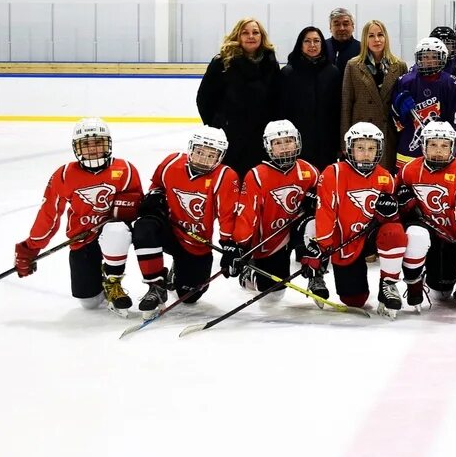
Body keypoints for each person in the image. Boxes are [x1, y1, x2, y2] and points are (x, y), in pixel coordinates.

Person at [13, 118, 144, 315]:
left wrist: (123, 213)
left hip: (113, 236)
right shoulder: (65, 174)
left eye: (98, 143)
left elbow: (135, 208)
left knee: (115, 230)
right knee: (89, 302)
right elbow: (49, 214)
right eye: (86, 144)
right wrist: (31, 247)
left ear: (108, 143)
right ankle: (97, 280)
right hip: (81, 238)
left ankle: (112, 281)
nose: (92, 149)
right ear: (76, 147)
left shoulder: (124, 170)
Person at [307, 122, 414, 317]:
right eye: (360, 148)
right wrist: (321, 248)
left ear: (379, 150)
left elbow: (393, 218)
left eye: (371, 148)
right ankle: (320, 276)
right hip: (346, 239)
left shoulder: (385, 177)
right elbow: (326, 212)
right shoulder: (334, 173)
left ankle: (388, 284)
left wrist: (391, 212)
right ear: (350, 149)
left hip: (371, 235)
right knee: (354, 299)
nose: (366, 153)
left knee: (394, 232)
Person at [131, 126, 241, 314]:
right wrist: (155, 195)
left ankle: (178, 270)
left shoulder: (225, 176)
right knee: (144, 227)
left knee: (189, 296)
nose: (203, 159)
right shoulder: (171, 163)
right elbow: (157, 185)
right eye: (200, 152)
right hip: (169, 230)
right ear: (191, 148)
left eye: (210, 155)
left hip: (196, 241)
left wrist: (229, 245)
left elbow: (227, 215)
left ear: (220, 156)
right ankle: (155, 286)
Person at [396, 121, 456, 308]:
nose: (438, 150)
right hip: (428, 228)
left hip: (453, 228)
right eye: (433, 144)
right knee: (439, 292)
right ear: (423, 145)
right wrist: (401, 199)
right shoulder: (409, 169)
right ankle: (414, 281)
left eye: (444, 145)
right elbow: (394, 194)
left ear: (452, 147)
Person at [227, 120, 320, 306]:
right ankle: (250, 271)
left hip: (296, 230)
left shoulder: (308, 170)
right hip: (271, 240)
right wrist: (239, 247)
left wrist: (316, 197)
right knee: (273, 291)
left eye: (289, 141)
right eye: (278, 143)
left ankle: (316, 275)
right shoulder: (257, 175)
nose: (285, 147)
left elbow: (326, 195)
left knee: (313, 223)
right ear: (268, 146)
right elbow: (247, 216)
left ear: (298, 142)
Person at [196, 17, 281, 175]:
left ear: (261, 37)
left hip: (260, 135)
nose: (251, 36)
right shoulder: (222, 62)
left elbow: (277, 97)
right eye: (245, 33)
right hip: (230, 135)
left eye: (255, 32)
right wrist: (217, 125)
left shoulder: (270, 63)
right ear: (237, 36)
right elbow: (204, 98)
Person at [341, 19, 407, 174]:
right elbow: (346, 105)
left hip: (389, 133)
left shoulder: (399, 66)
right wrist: (344, 142)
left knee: (386, 177)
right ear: (365, 39)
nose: (377, 40)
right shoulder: (353, 66)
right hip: (361, 134)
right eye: (371, 36)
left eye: (380, 35)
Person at [391, 37, 456, 170]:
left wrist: (455, 142)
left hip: (440, 149)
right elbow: (395, 119)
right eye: (425, 57)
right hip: (409, 149)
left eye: (434, 57)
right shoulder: (405, 81)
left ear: (442, 58)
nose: (429, 61)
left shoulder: (451, 83)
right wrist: (399, 111)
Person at [279, 26, 342, 170]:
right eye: (307, 41)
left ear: (322, 44)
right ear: (300, 44)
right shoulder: (288, 73)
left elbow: (338, 108)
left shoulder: (332, 72)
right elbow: (282, 109)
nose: (312, 45)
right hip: (297, 140)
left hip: (326, 141)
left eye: (316, 41)